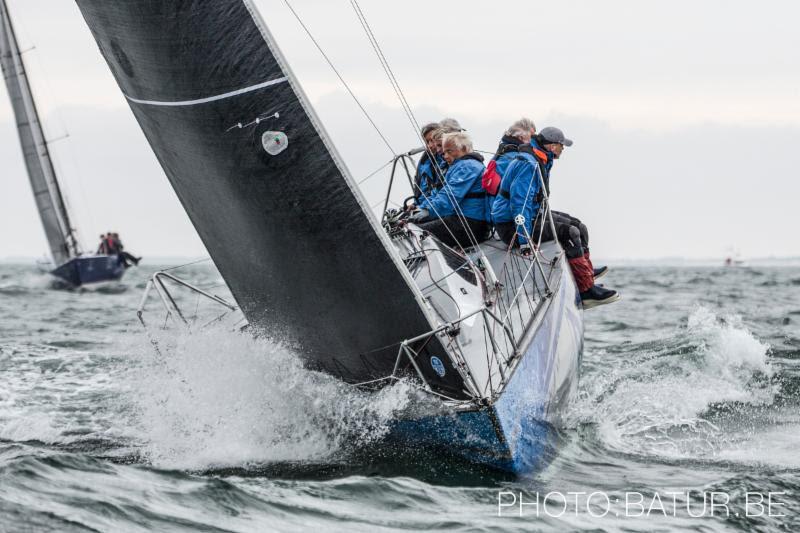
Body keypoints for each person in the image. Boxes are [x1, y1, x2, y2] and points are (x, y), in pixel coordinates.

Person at [529, 127, 618, 308]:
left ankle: (586, 276)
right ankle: (586, 291)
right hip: (527, 218)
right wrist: (524, 240)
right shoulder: (530, 162)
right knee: (570, 232)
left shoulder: (544, 158)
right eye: (562, 146)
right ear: (553, 146)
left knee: (579, 226)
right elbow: (518, 200)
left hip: (537, 212)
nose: (563, 149)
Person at [409, 131, 490, 250]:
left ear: (463, 148)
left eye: (449, 151)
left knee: (415, 232)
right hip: (462, 219)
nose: (445, 156)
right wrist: (422, 209)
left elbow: (450, 195)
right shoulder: (459, 166)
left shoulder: (468, 167)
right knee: (414, 226)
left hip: (471, 224)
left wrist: (428, 211)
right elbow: (439, 193)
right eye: (444, 151)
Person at [414, 123, 447, 202]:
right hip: (429, 206)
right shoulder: (424, 162)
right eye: (427, 142)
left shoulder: (449, 160)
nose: (430, 145)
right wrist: (416, 205)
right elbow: (421, 190)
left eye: (432, 140)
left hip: (440, 207)